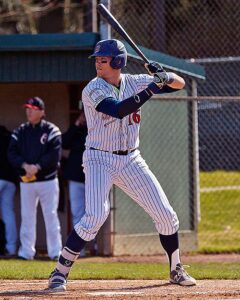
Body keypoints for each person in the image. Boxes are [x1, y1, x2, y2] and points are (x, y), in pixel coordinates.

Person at [48, 39, 196, 291]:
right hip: (99, 158)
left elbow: (179, 84)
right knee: (95, 215)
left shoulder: (135, 81)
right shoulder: (92, 89)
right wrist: (152, 87)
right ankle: (59, 272)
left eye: (103, 60)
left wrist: (164, 74)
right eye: (96, 60)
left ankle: (176, 269)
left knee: (166, 215)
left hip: (130, 158)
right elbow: (118, 109)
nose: (98, 64)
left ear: (118, 62)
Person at [8, 97, 62, 260]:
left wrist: (37, 167)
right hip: (27, 180)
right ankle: (26, 253)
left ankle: (55, 253)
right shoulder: (20, 131)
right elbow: (11, 152)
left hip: (48, 180)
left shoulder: (52, 130)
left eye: (32, 108)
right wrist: (25, 166)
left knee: (51, 215)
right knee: (27, 216)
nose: (28, 111)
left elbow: (54, 155)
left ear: (42, 112)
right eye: (27, 108)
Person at [62, 110, 88, 256]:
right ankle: (79, 249)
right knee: (77, 213)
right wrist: (77, 124)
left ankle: (95, 245)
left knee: (94, 214)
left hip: (94, 179)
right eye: (83, 114)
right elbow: (64, 143)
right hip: (75, 177)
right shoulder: (76, 129)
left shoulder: (97, 129)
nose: (85, 117)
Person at [0, 125, 17, 257]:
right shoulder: (11, 136)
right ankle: (11, 249)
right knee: (8, 214)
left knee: (8, 214)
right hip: (10, 180)